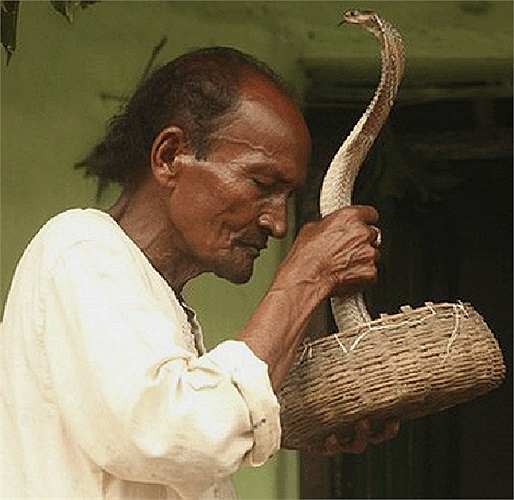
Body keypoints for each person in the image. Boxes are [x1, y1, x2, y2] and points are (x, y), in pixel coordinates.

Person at [1, 47, 399, 499]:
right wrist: (306, 276)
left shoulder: (148, 293)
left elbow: (169, 431)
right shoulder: (79, 249)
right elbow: (179, 432)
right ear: (170, 156)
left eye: (288, 197)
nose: (279, 223)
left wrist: (289, 417)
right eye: (263, 185)